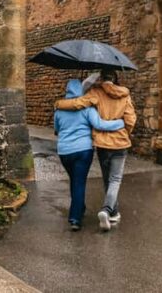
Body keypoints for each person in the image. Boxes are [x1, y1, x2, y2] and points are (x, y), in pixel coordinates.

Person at [55, 69, 136, 232]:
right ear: (115, 79)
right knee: (115, 179)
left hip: (103, 144)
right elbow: (130, 119)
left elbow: (77, 103)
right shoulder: (125, 95)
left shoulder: (96, 93)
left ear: (102, 78)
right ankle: (107, 210)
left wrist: (58, 104)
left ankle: (112, 212)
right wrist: (124, 130)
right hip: (120, 142)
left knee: (107, 179)